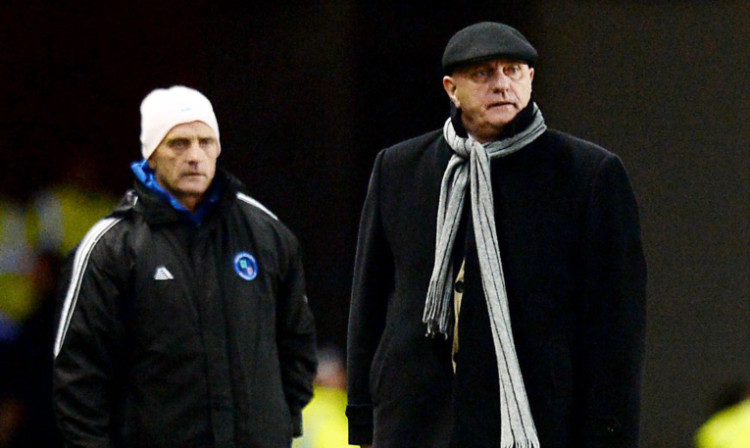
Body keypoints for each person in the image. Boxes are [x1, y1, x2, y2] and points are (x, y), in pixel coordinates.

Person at [346, 22, 646, 448]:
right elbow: (370, 300)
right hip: (416, 421)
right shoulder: (400, 168)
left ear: (530, 79)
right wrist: (362, 416)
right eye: (483, 74)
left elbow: (616, 327)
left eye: (513, 71)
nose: (501, 84)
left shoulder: (587, 174)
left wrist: (611, 434)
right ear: (452, 88)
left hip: (537, 422)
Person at [53, 85, 317, 448]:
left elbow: (297, 346)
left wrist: (273, 427)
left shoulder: (267, 234)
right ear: (151, 155)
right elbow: (77, 375)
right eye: (178, 143)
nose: (194, 155)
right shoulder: (110, 247)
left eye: (205, 142)